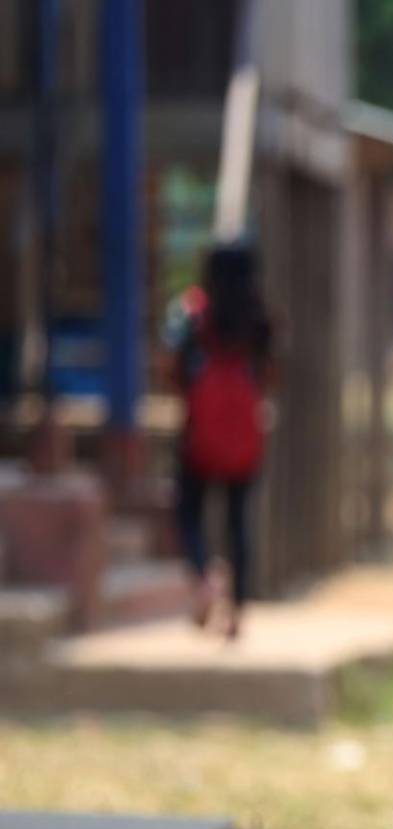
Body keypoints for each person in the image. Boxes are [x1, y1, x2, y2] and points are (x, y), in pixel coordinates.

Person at [162, 243, 273, 640]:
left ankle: (205, 572)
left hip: (200, 435)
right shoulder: (259, 317)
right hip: (245, 438)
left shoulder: (192, 314)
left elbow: (173, 369)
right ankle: (237, 612)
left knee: (189, 511)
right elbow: (271, 373)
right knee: (238, 523)